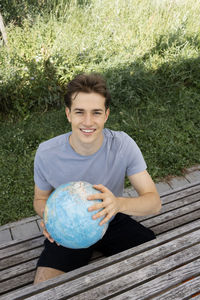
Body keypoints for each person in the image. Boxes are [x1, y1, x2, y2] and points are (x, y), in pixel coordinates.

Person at [33, 73, 161, 284]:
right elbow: (40, 200)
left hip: (110, 217)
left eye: (96, 113)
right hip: (68, 230)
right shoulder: (46, 153)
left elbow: (154, 203)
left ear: (106, 115)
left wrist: (118, 204)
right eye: (80, 112)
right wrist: (50, 217)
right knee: (44, 290)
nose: (88, 121)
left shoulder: (122, 145)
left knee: (160, 267)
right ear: (68, 114)